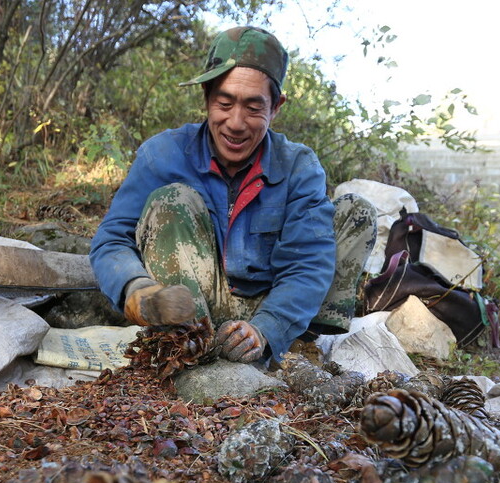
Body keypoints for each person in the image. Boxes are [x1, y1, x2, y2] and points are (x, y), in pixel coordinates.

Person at [89, 25, 375, 365]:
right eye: (224, 103)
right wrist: (136, 289)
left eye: (254, 108)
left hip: (266, 306)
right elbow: (111, 241)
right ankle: (188, 345)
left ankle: (297, 344)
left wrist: (266, 329)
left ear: (276, 107)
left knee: (356, 211)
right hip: (193, 304)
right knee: (173, 199)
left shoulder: (299, 166)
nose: (236, 123)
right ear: (207, 98)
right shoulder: (162, 154)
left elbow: (308, 263)